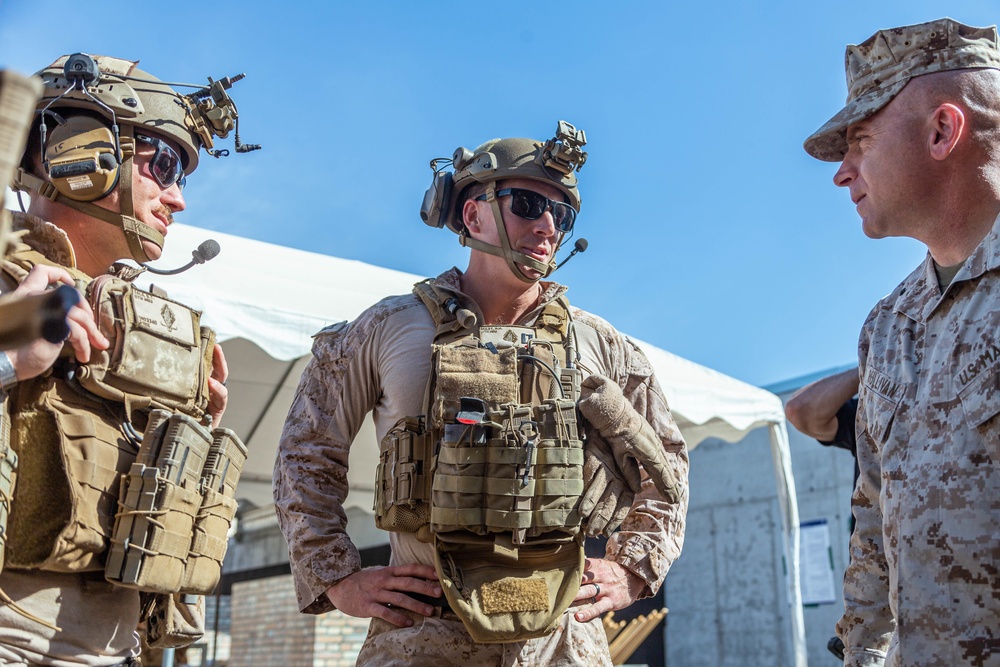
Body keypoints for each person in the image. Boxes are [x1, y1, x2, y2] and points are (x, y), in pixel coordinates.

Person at [274, 122, 689, 665]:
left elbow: (667, 462)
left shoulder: (599, 343)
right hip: (421, 628)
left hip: (561, 636)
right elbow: (306, 450)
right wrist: (338, 577)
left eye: (561, 215)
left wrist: (634, 568)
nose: (547, 225)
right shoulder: (389, 327)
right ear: (472, 215)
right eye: (526, 203)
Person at [0, 53, 255, 666]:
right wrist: (9, 351)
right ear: (78, 153)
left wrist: (188, 445)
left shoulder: (151, 324)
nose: (177, 199)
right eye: (161, 164)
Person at [804, 18, 1000, 667]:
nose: (842, 173)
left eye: (859, 140)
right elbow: (872, 519)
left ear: (942, 131)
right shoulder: (888, 326)